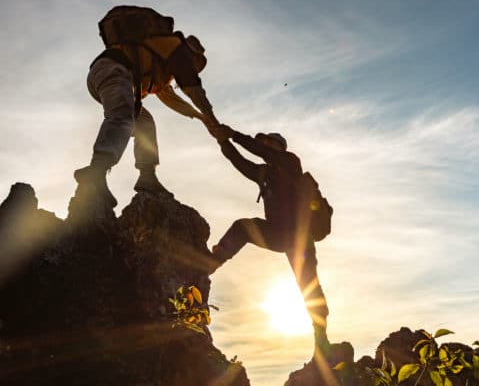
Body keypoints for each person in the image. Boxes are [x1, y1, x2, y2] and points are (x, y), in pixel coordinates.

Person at [210, 124, 331, 356]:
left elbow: (259, 151)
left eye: (268, 143)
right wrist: (222, 141)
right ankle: (214, 260)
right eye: (262, 141)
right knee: (243, 227)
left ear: (279, 148)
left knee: (308, 285)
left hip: (300, 238)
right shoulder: (263, 174)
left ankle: (321, 335)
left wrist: (233, 134)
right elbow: (240, 162)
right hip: (276, 234)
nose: (264, 145)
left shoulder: (291, 163)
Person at [74, 24, 220, 207]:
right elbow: (194, 90)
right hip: (112, 69)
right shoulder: (173, 50)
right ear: (190, 55)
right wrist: (212, 119)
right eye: (193, 64)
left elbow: (170, 98)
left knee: (144, 122)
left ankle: (147, 176)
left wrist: (200, 117)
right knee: (122, 115)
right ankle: (96, 171)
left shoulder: (163, 60)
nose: (192, 68)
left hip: (108, 75)